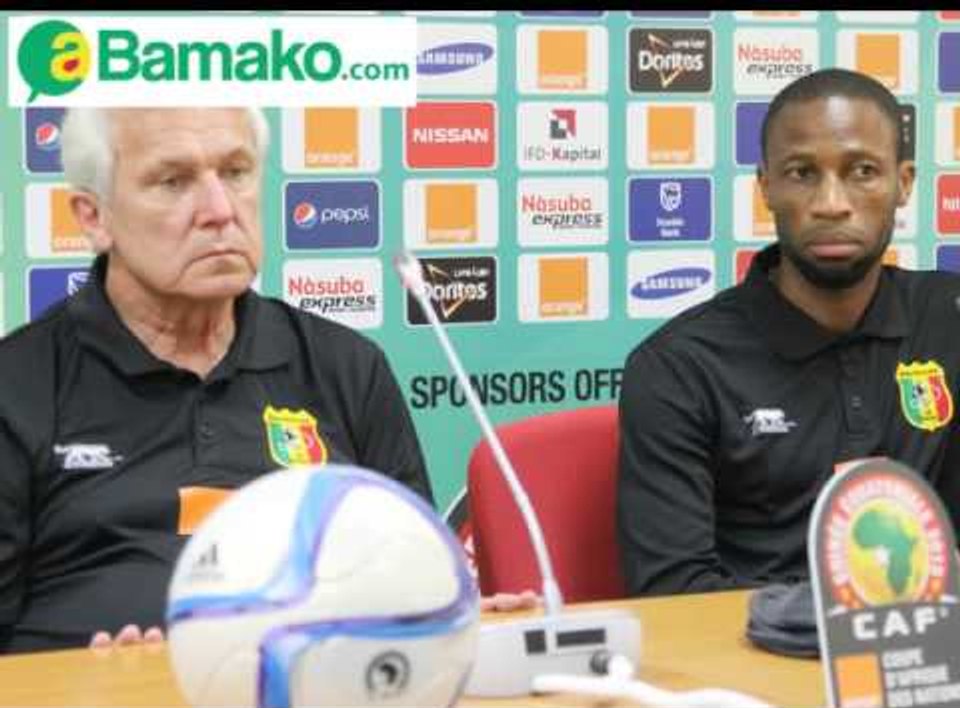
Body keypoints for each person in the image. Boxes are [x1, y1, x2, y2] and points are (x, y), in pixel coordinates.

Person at [0, 107, 534, 654]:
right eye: (173, 181)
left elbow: (416, 580)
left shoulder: (344, 365)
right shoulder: (18, 385)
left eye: (235, 172)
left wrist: (448, 618)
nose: (219, 210)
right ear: (94, 217)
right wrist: (77, 683)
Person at [617, 68, 960, 596]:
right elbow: (673, 594)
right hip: (760, 659)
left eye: (863, 171)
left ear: (904, 183)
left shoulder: (947, 316)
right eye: (802, 173)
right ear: (766, 187)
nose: (831, 203)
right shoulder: (679, 367)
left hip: (931, 658)